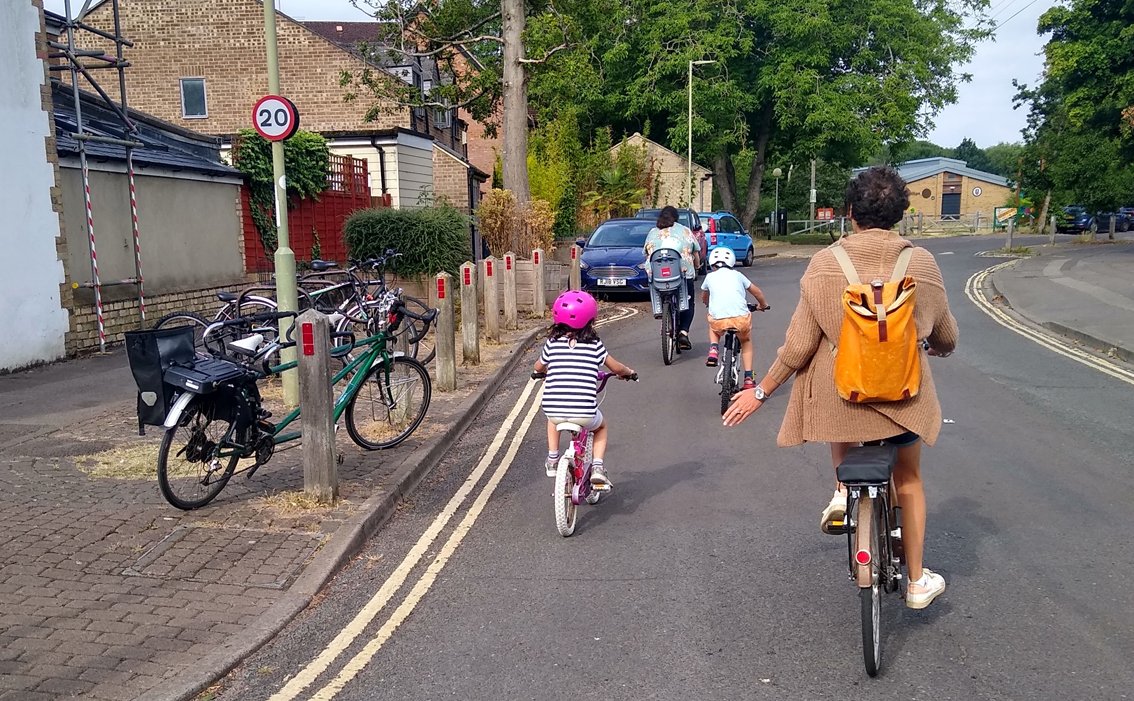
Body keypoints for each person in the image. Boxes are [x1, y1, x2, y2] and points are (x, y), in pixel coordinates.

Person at [723, 166, 958, 610]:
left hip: (842, 402)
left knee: (826, 378)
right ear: (900, 213)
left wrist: (760, 392)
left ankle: (841, 490)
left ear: (850, 212)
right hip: (903, 398)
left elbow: (798, 345)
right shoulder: (921, 263)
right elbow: (945, 334)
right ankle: (915, 582)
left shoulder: (825, 263)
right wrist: (938, 346)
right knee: (908, 479)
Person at [534, 290, 636, 488]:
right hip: (584, 413)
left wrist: (540, 371)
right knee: (601, 427)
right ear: (591, 319)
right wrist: (629, 372)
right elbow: (615, 367)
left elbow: (538, 367)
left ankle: (553, 459)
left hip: (554, 410)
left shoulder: (552, 343)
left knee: (551, 419)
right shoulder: (594, 345)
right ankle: (597, 467)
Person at [701, 247, 768, 391]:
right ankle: (749, 378)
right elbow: (757, 291)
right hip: (740, 319)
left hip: (719, 320)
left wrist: (707, 304)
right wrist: (763, 305)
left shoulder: (709, 277)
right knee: (746, 341)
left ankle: (713, 349)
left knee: (713, 326)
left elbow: (704, 296)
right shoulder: (738, 275)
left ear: (712, 264)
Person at [644, 205, 700, 350]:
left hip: (658, 276)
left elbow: (646, 253)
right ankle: (683, 332)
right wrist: (697, 266)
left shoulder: (652, 233)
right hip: (682, 274)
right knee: (689, 302)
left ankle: (664, 315)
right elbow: (695, 253)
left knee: (661, 291)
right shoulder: (685, 231)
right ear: (676, 218)